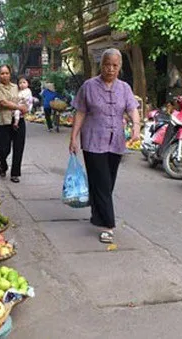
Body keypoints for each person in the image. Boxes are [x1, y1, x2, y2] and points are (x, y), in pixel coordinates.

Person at [69, 48, 140, 244]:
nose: (110, 69)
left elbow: (132, 109)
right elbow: (80, 113)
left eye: (115, 65)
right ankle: (107, 225)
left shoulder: (124, 88)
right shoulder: (88, 86)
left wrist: (136, 127)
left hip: (116, 142)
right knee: (102, 182)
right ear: (101, 65)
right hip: (92, 141)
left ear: (120, 67)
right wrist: (73, 137)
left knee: (106, 183)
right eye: (107, 64)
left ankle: (96, 213)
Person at [0, 65, 28, 183]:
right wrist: (19, 106)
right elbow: (3, 102)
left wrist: (27, 105)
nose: (5, 75)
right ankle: (3, 164)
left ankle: (15, 174)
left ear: (10, 74)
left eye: (7, 73)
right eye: (2, 73)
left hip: (18, 120)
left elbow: (24, 98)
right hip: (4, 121)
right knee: (3, 149)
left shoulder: (16, 87)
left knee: (18, 147)